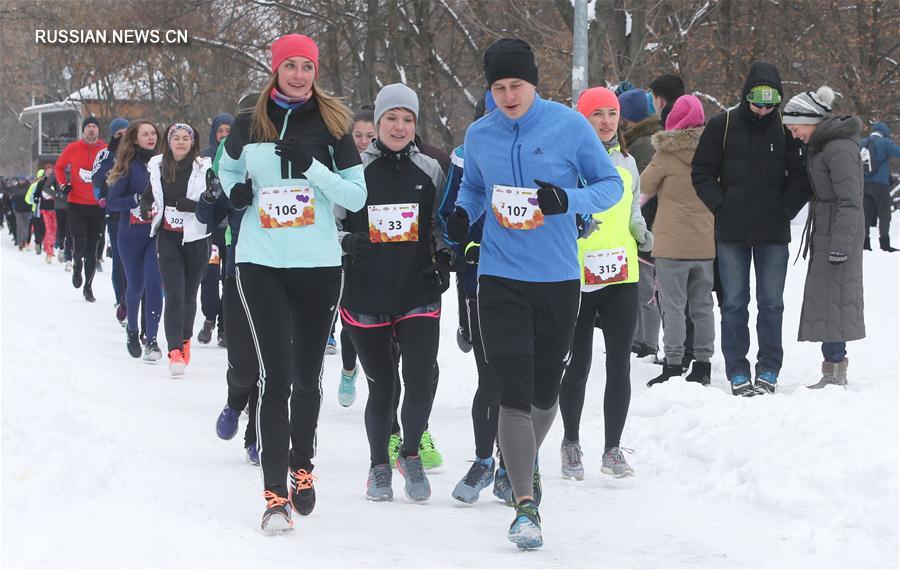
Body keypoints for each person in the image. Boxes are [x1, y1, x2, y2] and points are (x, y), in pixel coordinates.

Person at [447, 38, 623, 550]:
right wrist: (464, 212)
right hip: (500, 276)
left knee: (547, 390)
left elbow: (608, 186)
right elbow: (474, 188)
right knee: (513, 388)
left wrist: (565, 198)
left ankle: (518, 460)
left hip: (558, 277)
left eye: (515, 85)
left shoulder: (569, 127)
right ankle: (526, 505)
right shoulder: (480, 134)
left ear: (533, 83)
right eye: (498, 87)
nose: (506, 95)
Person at [218, 33, 367, 532]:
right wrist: (235, 190)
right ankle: (274, 494)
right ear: (275, 69)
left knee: (306, 378)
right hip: (259, 262)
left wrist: (313, 168)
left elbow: (356, 195)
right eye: (291, 66)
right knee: (274, 378)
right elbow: (228, 168)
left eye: (307, 66)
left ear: (315, 72)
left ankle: (303, 467)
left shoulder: (333, 125)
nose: (300, 74)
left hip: (318, 264)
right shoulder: (246, 123)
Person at [338, 83, 448, 503]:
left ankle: (410, 453)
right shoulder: (354, 172)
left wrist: (443, 257)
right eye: (391, 119)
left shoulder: (431, 169)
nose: (399, 127)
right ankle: (378, 467)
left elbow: (439, 224)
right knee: (384, 387)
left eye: (407, 119)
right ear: (377, 123)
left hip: (417, 289)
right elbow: (330, 224)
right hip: (366, 294)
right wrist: (347, 241)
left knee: (421, 380)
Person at [691, 62, 810, 396]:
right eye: (758, 102)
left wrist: (785, 210)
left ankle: (769, 367)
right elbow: (701, 171)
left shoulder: (787, 131)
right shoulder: (722, 125)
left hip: (773, 233)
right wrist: (720, 204)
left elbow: (802, 178)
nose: (763, 109)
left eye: (770, 103)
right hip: (731, 232)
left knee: (771, 303)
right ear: (746, 97)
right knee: (733, 303)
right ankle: (737, 370)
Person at [558, 86, 651, 482]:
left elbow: (632, 210)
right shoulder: (570, 162)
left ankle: (612, 448)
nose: (606, 121)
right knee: (577, 364)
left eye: (611, 113)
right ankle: (571, 442)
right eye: (597, 114)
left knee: (619, 364)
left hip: (621, 273)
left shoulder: (627, 162)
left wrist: (644, 235)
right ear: (582, 119)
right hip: (578, 275)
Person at [444, 91, 514, 505]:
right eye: (494, 109)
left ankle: (515, 465)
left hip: (529, 280)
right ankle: (484, 460)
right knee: (489, 377)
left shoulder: (536, 150)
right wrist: (463, 240)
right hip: (480, 281)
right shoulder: (465, 154)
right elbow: (450, 213)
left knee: (520, 379)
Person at [781, 88, 866, 388]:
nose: (794, 135)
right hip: (827, 229)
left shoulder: (838, 147)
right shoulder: (823, 145)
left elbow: (850, 200)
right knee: (829, 298)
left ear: (809, 119)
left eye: (795, 128)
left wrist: (841, 244)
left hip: (839, 232)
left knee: (836, 298)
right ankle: (831, 369)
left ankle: (836, 370)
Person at [641, 95, 715, 387]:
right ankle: (703, 363)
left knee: (673, 306)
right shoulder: (713, 151)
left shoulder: (666, 153)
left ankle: (673, 363)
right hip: (704, 242)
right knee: (703, 305)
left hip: (671, 244)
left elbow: (644, 185)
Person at [199, 165, 261, 466]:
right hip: (239, 275)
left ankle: (256, 437)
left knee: (273, 367)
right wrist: (211, 196)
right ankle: (235, 402)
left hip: (286, 278)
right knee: (244, 363)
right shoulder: (238, 172)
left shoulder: (296, 173)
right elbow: (204, 220)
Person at [142, 123, 211, 375]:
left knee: (189, 296)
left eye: (186, 138)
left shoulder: (204, 169)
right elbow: (148, 194)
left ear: (193, 143)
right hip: (167, 237)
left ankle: (184, 341)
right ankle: (174, 352)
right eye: (176, 138)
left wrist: (191, 206)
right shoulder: (158, 167)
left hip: (195, 239)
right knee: (174, 294)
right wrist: (144, 206)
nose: (181, 142)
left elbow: (213, 201)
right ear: (169, 142)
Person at [107, 120, 165, 362]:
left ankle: (151, 340)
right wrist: (135, 199)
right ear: (134, 139)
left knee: (154, 285)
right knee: (136, 286)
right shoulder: (128, 166)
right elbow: (112, 202)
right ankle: (132, 329)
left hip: (156, 234)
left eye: (153, 133)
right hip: (130, 234)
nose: (151, 137)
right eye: (145, 134)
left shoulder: (163, 164)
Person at [619, 87, 665, 360]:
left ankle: (649, 342)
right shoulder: (635, 141)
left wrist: (640, 224)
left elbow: (645, 190)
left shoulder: (644, 144)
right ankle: (639, 338)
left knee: (646, 288)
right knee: (636, 285)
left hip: (646, 225)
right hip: (638, 224)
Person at [336, 104, 377, 404]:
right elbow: (333, 218)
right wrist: (345, 240)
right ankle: (349, 370)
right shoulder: (343, 168)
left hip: (390, 257)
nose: (363, 142)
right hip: (352, 257)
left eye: (370, 136)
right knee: (350, 324)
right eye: (358, 135)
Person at [54, 116, 108, 302]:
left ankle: (88, 287)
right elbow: (59, 168)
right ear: (83, 130)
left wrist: (110, 188)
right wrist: (63, 185)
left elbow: (116, 169)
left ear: (98, 131)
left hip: (97, 205)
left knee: (92, 250)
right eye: (88, 126)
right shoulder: (73, 148)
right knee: (80, 244)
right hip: (76, 203)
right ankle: (77, 267)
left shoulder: (105, 150)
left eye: (94, 126)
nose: (91, 129)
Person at [198, 113, 235, 346]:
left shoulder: (239, 155)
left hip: (233, 231)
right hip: (211, 231)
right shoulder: (204, 158)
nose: (224, 135)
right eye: (220, 131)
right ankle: (209, 317)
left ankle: (225, 327)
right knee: (210, 279)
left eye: (228, 131)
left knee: (229, 280)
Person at [93, 117, 131, 323]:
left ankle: (134, 297)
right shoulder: (106, 154)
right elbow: (97, 180)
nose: (124, 137)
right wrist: (101, 198)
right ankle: (121, 299)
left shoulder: (139, 152)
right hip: (115, 215)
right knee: (120, 259)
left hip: (137, 214)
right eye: (119, 134)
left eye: (127, 132)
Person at [859, 122, 900, 251]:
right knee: (884, 214)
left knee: (865, 214)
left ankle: (865, 244)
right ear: (885, 133)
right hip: (880, 184)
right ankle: (884, 244)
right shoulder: (885, 142)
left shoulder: (861, 143)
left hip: (864, 184)